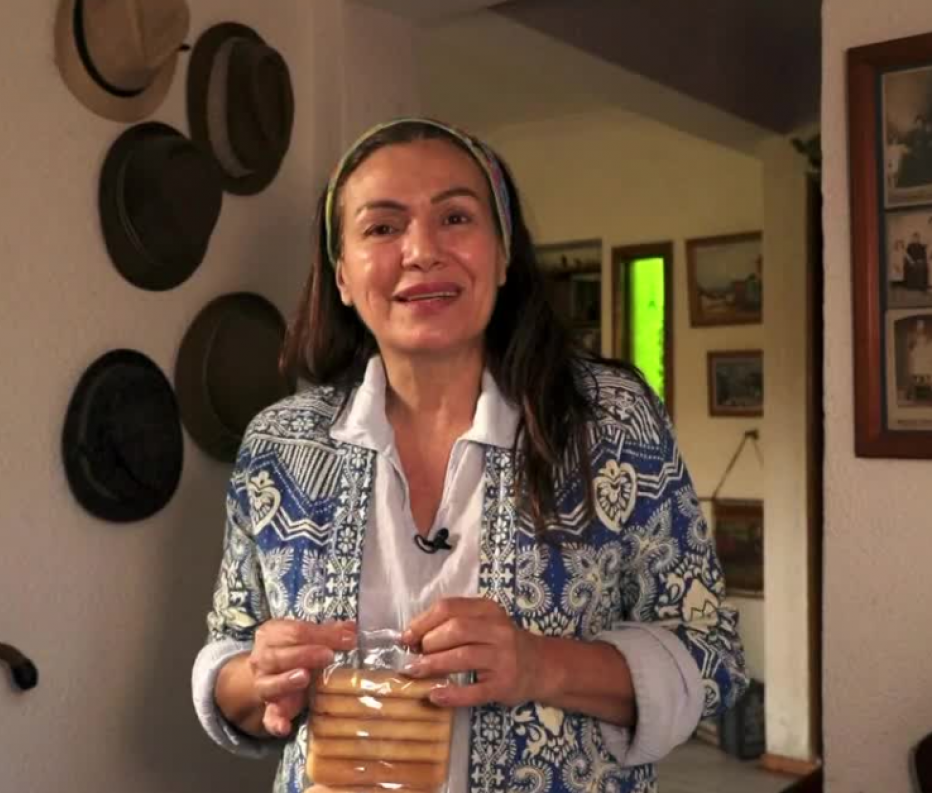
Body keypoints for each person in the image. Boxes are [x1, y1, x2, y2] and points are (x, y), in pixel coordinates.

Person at [191, 118, 749, 793]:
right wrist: (258, 677)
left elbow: (711, 657)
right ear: (342, 274)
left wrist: (538, 664)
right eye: (382, 227)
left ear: (503, 253)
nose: (422, 251)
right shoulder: (279, 445)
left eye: (455, 217)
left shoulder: (607, 422)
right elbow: (230, 654)